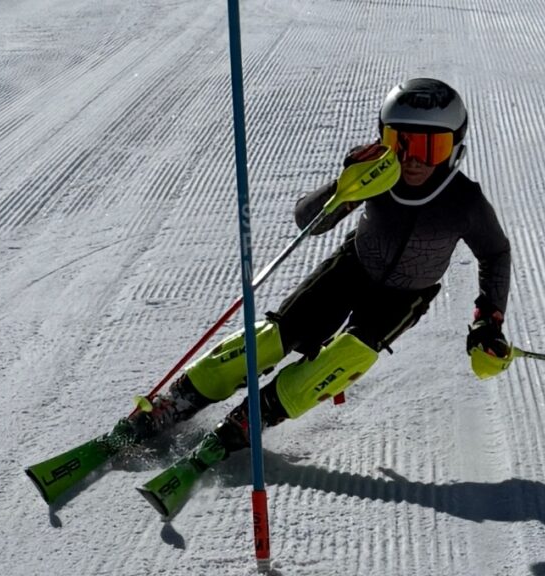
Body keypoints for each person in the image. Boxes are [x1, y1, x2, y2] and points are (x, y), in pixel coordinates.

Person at [117, 77, 513, 471]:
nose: (413, 160)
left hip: (404, 296)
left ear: (455, 147)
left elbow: (495, 252)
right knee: (274, 337)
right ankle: (178, 401)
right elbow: (308, 221)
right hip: (352, 267)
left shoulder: (466, 202)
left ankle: (252, 418)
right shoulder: (377, 177)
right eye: (401, 141)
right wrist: (344, 187)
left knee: (346, 355)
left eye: (431, 147)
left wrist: (489, 319)